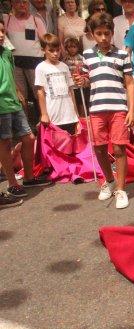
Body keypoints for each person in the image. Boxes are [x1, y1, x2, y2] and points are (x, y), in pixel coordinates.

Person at [75, 12, 134, 209]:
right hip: (96, 109)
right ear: (92, 34)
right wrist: (81, 81)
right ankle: (109, 181)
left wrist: (132, 110)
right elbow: (85, 81)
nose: (103, 38)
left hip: (118, 108)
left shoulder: (122, 54)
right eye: (99, 33)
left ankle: (120, 189)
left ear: (112, 33)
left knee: (119, 148)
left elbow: (130, 83)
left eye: (107, 33)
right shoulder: (87, 55)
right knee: (99, 147)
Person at [0, 18, 51, 205]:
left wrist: (18, 92)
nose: (0, 35)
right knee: (4, 143)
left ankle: (29, 177)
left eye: (2, 31)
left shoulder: (6, 52)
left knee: (29, 138)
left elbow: (9, 76)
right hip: (1, 106)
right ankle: (13, 184)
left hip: (13, 102)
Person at [2, 0, 46, 117]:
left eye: (25, 2)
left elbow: (46, 41)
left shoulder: (36, 20)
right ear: (12, 3)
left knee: (39, 94)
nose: (22, 5)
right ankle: (25, 127)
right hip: (15, 62)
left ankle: (44, 122)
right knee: (21, 97)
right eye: (18, 2)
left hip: (35, 62)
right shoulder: (6, 19)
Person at [34, 33, 80, 135]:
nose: (55, 53)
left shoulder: (64, 66)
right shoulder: (41, 67)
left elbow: (71, 91)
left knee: (70, 145)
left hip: (69, 115)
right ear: (43, 50)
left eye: (58, 50)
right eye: (51, 51)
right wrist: (44, 114)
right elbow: (40, 92)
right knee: (55, 146)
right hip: (53, 115)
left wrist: (76, 114)